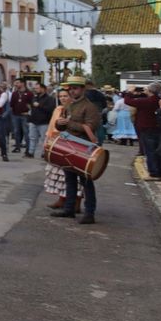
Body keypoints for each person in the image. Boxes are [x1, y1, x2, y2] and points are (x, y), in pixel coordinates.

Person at [50, 76, 103, 224]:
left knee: (86, 182)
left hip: (84, 147)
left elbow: (90, 128)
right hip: (69, 146)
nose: (72, 91)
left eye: (75, 88)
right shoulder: (68, 106)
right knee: (70, 179)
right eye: (70, 88)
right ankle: (69, 209)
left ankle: (90, 213)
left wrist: (69, 123)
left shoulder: (90, 107)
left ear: (82, 89)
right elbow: (62, 126)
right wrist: (60, 124)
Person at [123, 84, 161, 178]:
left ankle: (154, 172)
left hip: (146, 128)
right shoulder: (160, 100)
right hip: (158, 127)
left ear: (150, 91)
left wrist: (130, 92)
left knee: (150, 151)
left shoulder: (146, 101)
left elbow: (128, 101)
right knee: (159, 151)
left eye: (146, 89)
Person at [27, 82, 54, 163]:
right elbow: (31, 107)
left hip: (44, 122)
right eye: (35, 88)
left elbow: (50, 109)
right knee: (32, 137)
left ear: (43, 89)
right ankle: (31, 152)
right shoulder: (35, 97)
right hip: (33, 121)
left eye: (37, 88)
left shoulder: (49, 99)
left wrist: (39, 105)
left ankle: (43, 153)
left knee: (44, 139)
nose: (36, 90)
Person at [10, 81, 34, 154]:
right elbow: (11, 104)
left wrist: (29, 112)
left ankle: (28, 149)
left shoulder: (29, 93)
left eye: (17, 83)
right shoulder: (14, 93)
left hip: (25, 115)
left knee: (26, 132)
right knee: (16, 131)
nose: (15, 84)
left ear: (22, 83)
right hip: (15, 115)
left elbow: (32, 104)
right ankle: (17, 147)